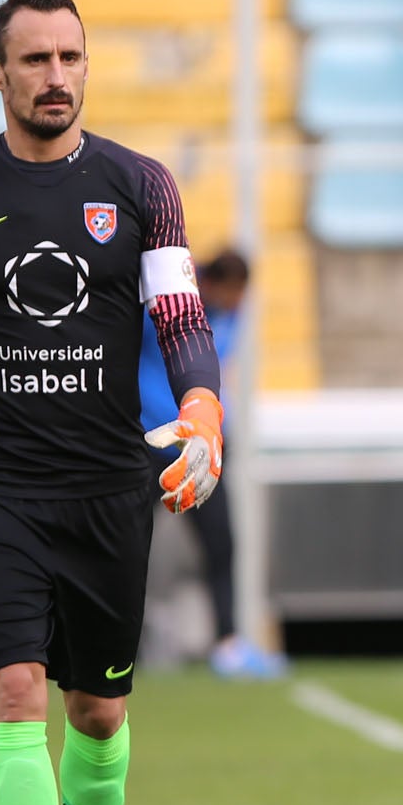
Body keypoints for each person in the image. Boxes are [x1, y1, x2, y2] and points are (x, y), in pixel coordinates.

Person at [0, 0, 222, 805]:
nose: (56, 77)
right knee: (14, 688)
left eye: (70, 57)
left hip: (110, 488)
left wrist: (202, 405)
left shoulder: (140, 184)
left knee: (99, 711)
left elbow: (181, 317)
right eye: (35, 60)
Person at [139, 249, 280, 680]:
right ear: (214, 284)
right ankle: (110, 642)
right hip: (151, 440)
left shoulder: (232, 314)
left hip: (201, 446)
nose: (240, 302)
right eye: (234, 292)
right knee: (125, 547)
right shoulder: (165, 305)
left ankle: (228, 645)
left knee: (222, 545)